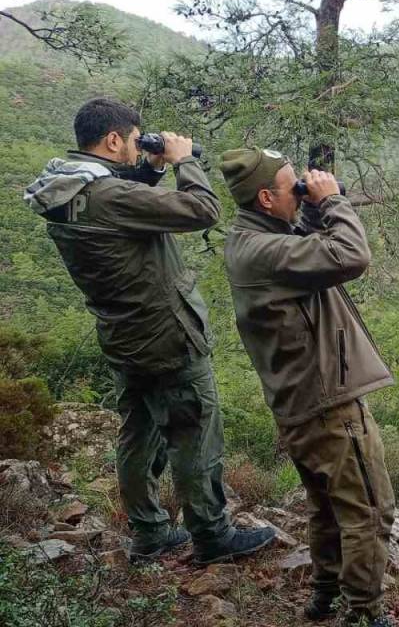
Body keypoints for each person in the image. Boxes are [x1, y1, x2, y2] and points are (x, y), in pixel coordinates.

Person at [23, 98, 275, 564]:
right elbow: (202, 210)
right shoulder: (110, 196)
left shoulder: (65, 190)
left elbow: (118, 203)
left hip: (123, 335)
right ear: (113, 139)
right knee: (194, 430)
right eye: (135, 140)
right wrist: (181, 162)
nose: (140, 148)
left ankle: (150, 532)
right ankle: (213, 536)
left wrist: (151, 170)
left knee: (138, 432)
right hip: (167, 333)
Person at [219, 148, 396, 627]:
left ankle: (323, 598)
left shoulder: (253, 238)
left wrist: (312, 206)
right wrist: (334, 202)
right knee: (369, 511)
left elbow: (314, 251)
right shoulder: (267, 251)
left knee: (328, 509)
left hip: (300, 402)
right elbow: (351, 255)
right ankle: (364, 613)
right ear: (264, 198)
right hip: (328, 406)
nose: (299, 189)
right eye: (290, 186)